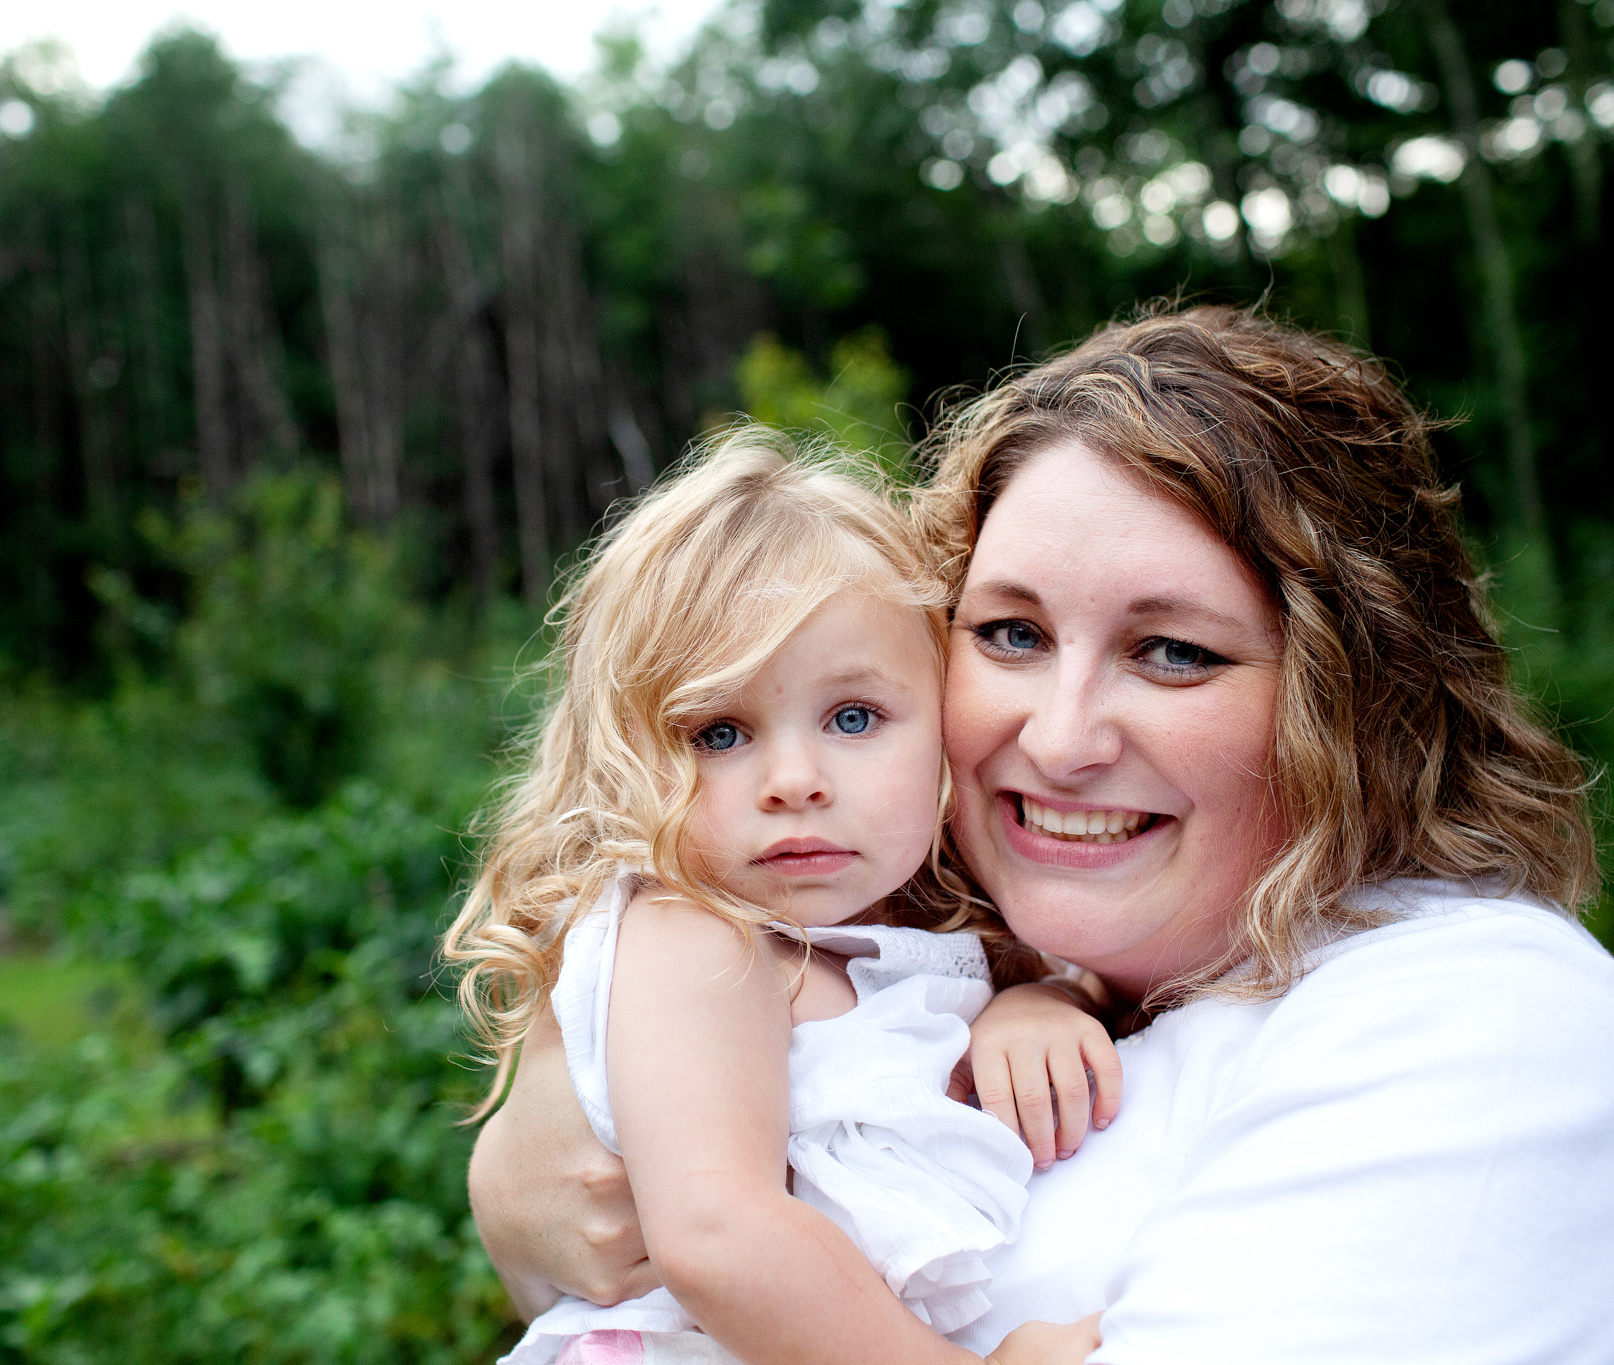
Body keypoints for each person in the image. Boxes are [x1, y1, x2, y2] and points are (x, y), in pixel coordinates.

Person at [467, 303, 1614, 1362]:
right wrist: (548, 1162)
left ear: (1358, 695)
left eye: (1173, 650)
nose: (1061, 732)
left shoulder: (1484, 1044)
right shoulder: (923, 984)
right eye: (1012, 634)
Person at [442, 435, 1117, 1365]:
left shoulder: (908, 936)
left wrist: (1039, 1001)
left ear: (943, 719)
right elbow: (719, 1235)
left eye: (853, 718)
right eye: (720, 731)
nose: (794, 780)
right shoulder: (693, 936)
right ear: (626, 760)